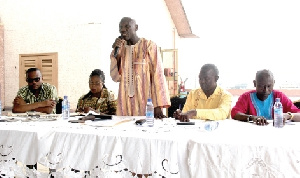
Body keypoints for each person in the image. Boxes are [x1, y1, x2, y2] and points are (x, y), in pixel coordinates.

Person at [110, 17, 170, 118]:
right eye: (121, 27)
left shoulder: (149, 46)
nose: (123, 30)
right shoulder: (120, 48)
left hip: (146, 102)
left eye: (127, 26)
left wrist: (157, 105)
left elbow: (158, 75)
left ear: (136, 27)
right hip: (124, 102)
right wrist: (115, 54)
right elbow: (115, 77)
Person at [231, 69, 300, 125]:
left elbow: (298, 114)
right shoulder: (246, 97)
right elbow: (235, 113)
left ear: (274, 83)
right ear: (255, 83)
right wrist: (252, 118)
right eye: (261, 86)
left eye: (269, 86)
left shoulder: (279, 96)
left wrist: (288, 116)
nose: (265, 90)